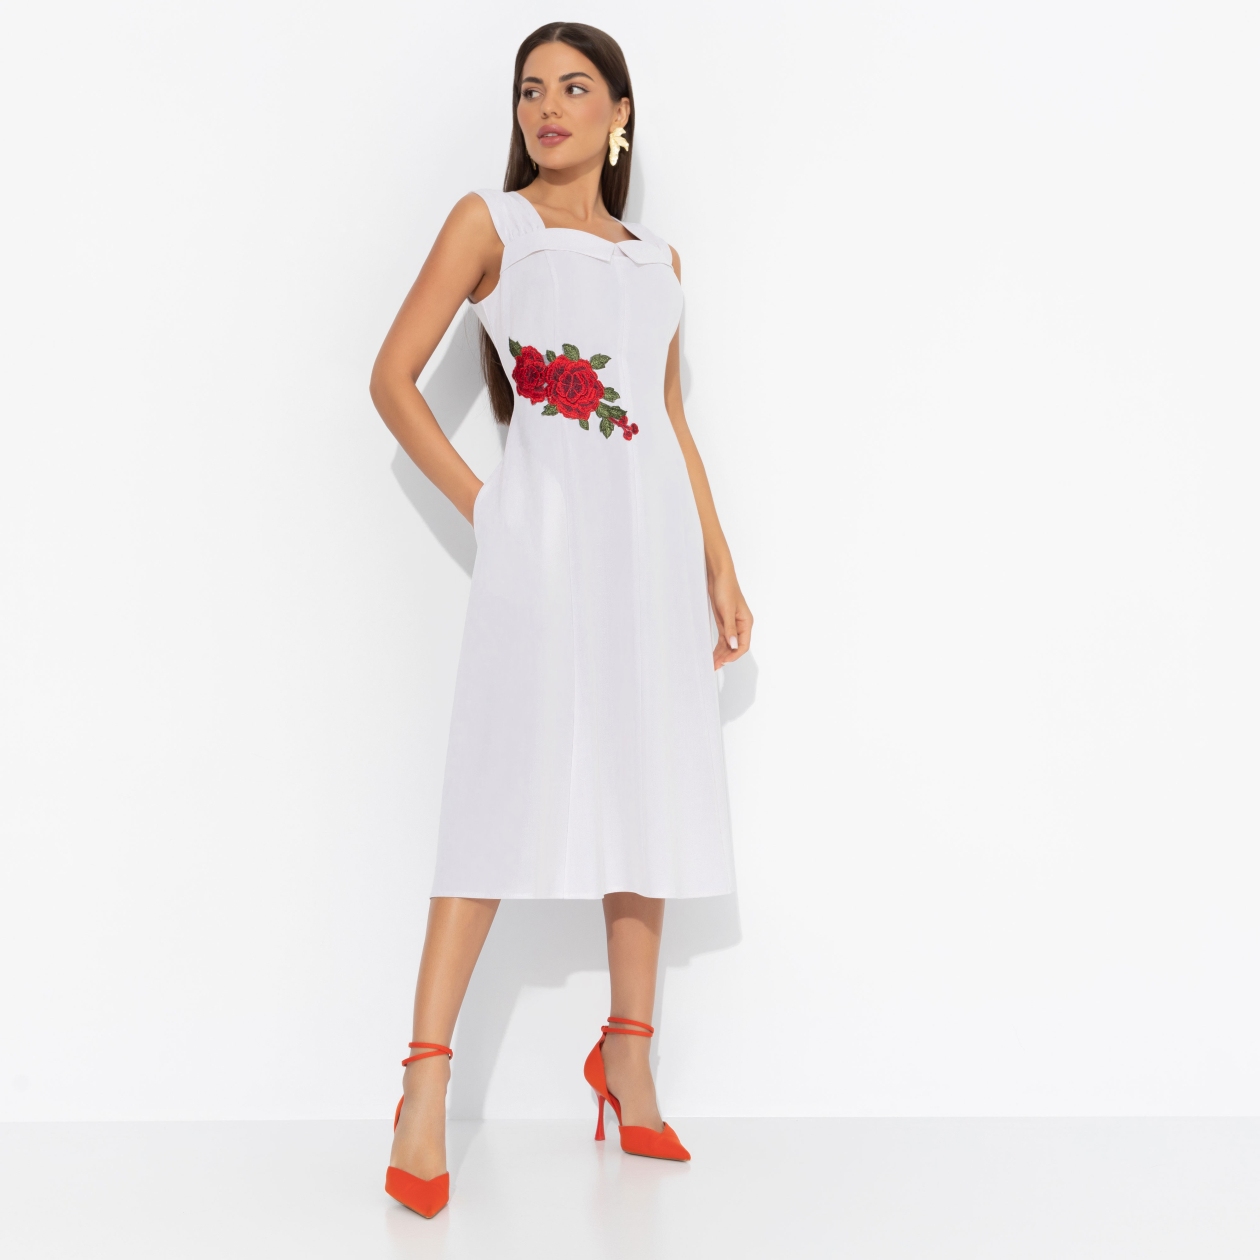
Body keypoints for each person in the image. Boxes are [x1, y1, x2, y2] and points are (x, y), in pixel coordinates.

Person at [368, 21, 752, 1219]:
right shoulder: (494, 224)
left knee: (648, 785)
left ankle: (626, 1057)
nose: (549, 107)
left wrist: (719, 562)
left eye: (576, 88)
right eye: (532, 89)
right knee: (496, 790)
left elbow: (666, 419)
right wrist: (491, 504)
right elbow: (391, 378)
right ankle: (423, 1086)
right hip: (540, 556)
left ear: (619, 113)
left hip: (653, 554)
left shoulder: (659, 261)